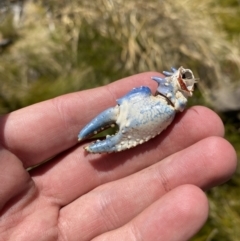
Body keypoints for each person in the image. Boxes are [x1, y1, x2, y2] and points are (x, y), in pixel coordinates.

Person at [0, 72, 237, 241]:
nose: (186, 81)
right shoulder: (151, 94)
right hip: (146, 104)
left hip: (158, 109)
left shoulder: (170, 106)